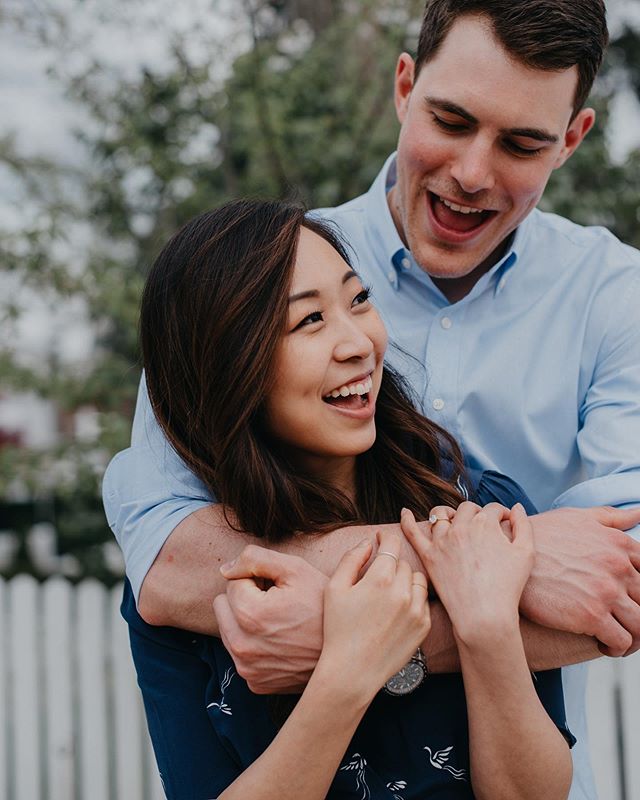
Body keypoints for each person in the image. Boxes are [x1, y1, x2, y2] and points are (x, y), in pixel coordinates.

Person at [103, 2, 640, 798]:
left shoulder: (617, 298)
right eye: (450, 120)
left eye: (522, 142)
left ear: (572, 138)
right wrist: (494, 566)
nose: (471, 172)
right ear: (403, 85)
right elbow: (168, 558)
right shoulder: (250, 277)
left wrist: (346, 630)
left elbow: (620, 589)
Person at [127, 197, 574, 799]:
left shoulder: (479, 508)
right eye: (309, 321)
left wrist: (487, 627)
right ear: (227, 366)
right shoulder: (191, 591)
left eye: (359, 300)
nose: (359, 344)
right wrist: (348, 671)